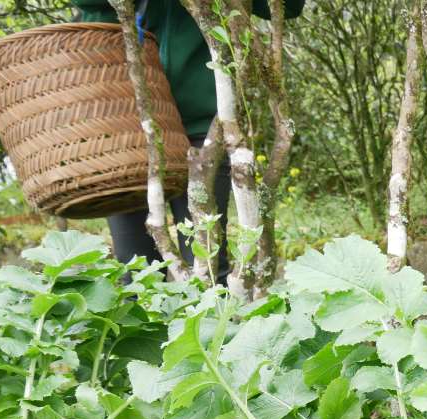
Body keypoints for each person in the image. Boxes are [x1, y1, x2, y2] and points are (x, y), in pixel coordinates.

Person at [72, 0, 304, 282]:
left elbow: (286, 6)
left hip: (200, 126)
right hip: (122, 122)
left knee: (205, 267)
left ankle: (213, 326)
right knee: (134, 271)